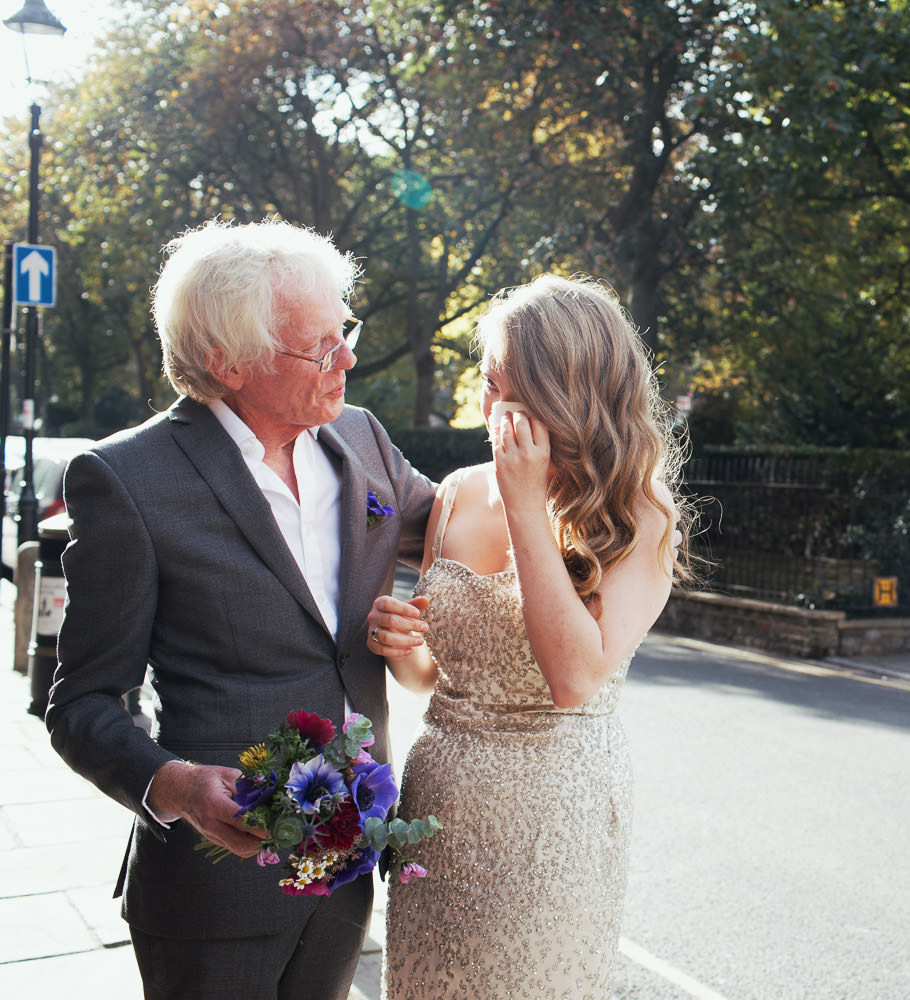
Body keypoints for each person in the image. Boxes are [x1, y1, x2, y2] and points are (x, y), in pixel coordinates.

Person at [45, 218, 436, 1000]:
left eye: (345, 330)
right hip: (211, 890)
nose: (350, 358)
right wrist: (175, 785)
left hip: (348, 867)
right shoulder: (127, 480)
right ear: (229, 360)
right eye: (321, 343)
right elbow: (80, 703)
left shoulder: (361, 440)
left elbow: (467, 537)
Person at [368, 273, 692, 999]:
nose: (487, 406)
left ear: (561, 393)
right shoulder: (454, 490)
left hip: (555, 818)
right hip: (442, 813)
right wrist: (402, 648)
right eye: (485, 381)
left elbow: (574, 678)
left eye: (504, 387)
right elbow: (434, 676)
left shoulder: (638, 511)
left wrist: (524, 504)